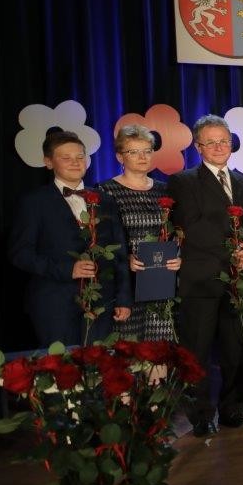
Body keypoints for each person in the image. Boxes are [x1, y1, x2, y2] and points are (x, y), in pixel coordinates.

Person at [168, 114, 243, 437]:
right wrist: (231, 250)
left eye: (224, 141)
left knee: (236, 351)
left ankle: (233, 410)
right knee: (198, 352)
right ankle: (201, 415)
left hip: (236, 283)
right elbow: (192, 228)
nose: (219, 147)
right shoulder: (183, 181)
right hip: (200, 279)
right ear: (198, 147)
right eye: (211, 142)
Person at [9, 131, 132, 347]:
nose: (75, 162)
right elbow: (20, 254)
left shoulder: (105, 200)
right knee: (63, 364)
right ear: (49, 162)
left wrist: (123, 298)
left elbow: (120, 253)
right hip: (54, 304)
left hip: (102, 303)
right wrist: (67, 270)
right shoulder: (34, 202)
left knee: (99, 363)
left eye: (80, 156)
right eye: (66, 158)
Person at [97, 125, 182, 341]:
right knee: (129, 347)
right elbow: (101, 240)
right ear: (120, 156)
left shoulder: (165, 189)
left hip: (160, 280)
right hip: (125, 283)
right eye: (133, 152)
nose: (142, 157)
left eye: (147, 151)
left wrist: (177, 256)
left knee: (160, 347)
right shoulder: (105, 191)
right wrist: (125, 258)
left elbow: (176, 231)